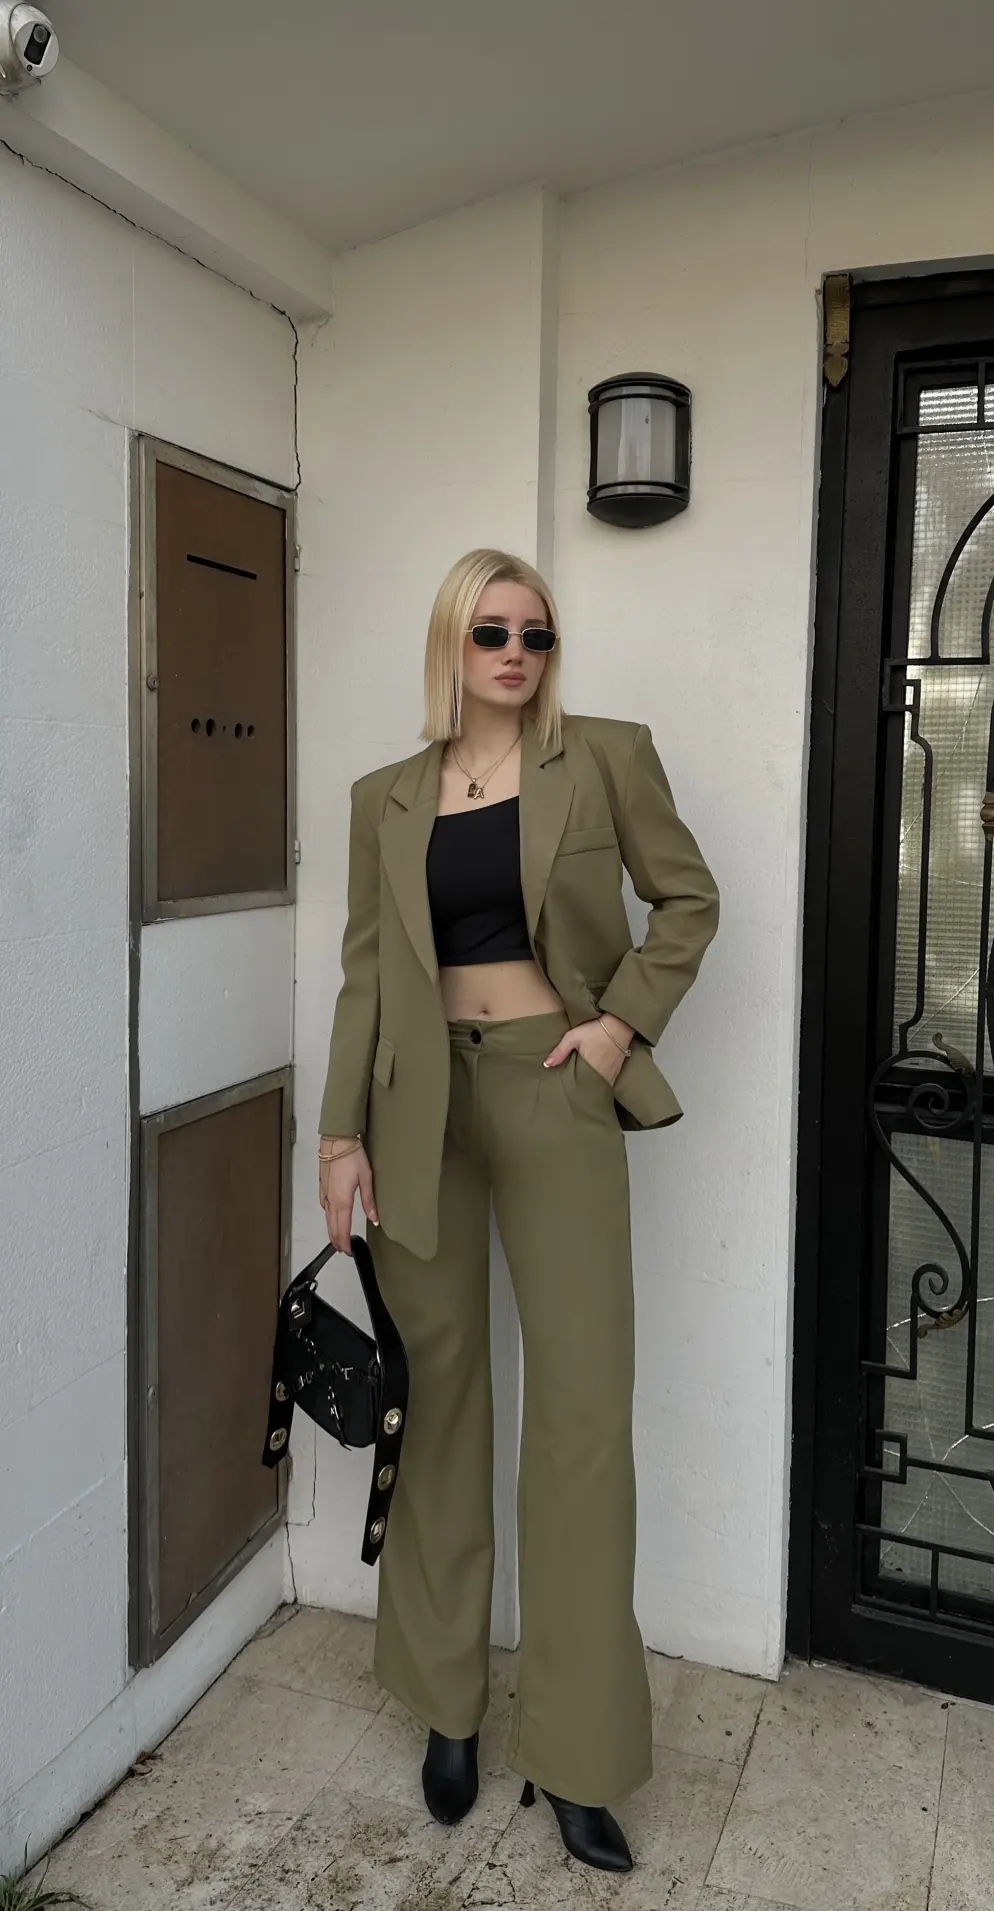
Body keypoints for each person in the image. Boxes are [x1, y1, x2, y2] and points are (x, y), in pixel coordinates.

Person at [318, 547, 718, 1873]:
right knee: (435, 1398)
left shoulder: (603, 757)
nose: (515, 653)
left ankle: (578, 1751)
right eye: (491, 631)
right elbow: (366, 978)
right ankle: (449, 1707)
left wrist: (617, 1029)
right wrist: (339, 1135)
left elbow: (688, 899)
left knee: (583, 1417)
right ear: (453, 640)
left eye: (536, 634)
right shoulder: (386, 797)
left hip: (554, 1086)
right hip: (418, 1106)